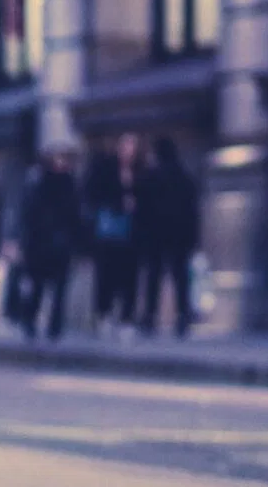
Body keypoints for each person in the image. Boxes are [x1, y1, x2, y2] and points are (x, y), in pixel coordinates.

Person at [16, 146, 85, 341]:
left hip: (60, 245)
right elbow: (28, 216)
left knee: (59, 290)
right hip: (40, 246)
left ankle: (54, 327)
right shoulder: (38, 184)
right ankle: (30, 322)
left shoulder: (69, 185)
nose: (61, 163)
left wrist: (77, 243)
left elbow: (76, 218)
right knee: (37, 288)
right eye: (58, 159)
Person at [135, 136, 201, 338]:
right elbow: (192, 211)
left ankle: (150, 317)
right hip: (180, 235)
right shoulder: (185, 177)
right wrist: (193, 238)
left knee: (154, 277)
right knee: (180, 277)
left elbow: (142, 211)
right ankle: (182, 316)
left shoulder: (151, 178)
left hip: (156, 235)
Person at [84, 132, 144, 335]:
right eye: (126, 146)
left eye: (132, 146)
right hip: (109, 230)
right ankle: (104, 314)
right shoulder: (106, 169)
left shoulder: (139, 172)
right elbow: (94, 194)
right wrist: (119, 203)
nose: (129, 151)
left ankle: (127, 317)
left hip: (132, 232)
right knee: (106, 276)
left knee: (129, 277)